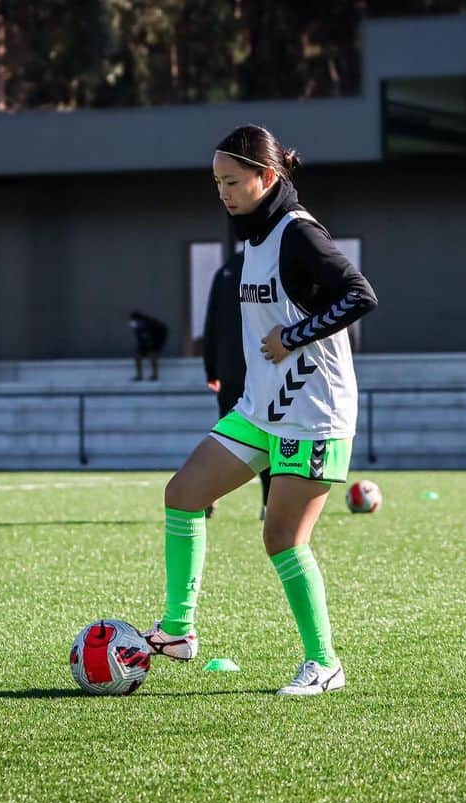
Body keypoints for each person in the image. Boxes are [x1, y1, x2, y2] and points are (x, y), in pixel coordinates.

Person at [143, 124, 378, 697]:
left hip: (314, 413)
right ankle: (178, 630)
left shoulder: (299, 233)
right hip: (261, 410)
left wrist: (296, 335)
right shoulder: (253, 237)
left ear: (267, 177)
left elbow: (360, 294)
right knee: (184, 493)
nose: (222, 192)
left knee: (282, 540)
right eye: (216, 182)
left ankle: (324, 664)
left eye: (231, 181)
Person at [202, 249, 271, 520]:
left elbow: (212, 323)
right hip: (263, 367)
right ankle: (269, 503)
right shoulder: (271, 265)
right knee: (268, 434)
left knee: (228, 436)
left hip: (230, 370)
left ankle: (208, 493)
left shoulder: (226, 271)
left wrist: (211, 368)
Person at [129, 310, 168, 381]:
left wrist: (152, 347)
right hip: (146, 342)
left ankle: (155, 375)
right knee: (138, 357)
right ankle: (139, 376)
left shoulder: (150, 324)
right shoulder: (137, 327)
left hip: (157, 339)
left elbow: (153, 338)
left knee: (153, 356)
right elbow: (139, 339)